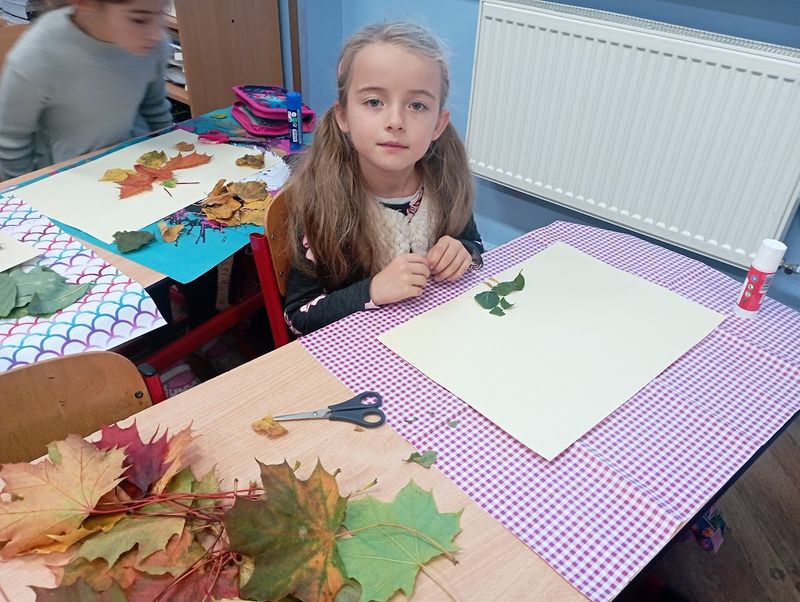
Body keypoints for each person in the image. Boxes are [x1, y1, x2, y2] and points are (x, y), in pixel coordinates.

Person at [283, 22, 484, 336]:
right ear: (343, 115)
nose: (395, 122)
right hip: (358, 353)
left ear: (438, 124)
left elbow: (475, 245)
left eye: (417, 105)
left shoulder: (446, 183)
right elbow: (298, 319)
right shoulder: (321, 202)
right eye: (374, 102)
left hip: (439, 337)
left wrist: (463, 252)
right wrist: (372, 290)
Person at [0, 0, 172, 181]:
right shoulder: (37, 56)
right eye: (139, 20)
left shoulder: (152, 43)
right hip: (63, 178)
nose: (157, 35)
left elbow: (155, 108)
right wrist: (28, 190)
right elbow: (11, 142)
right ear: (85, 3)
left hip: (134, 160)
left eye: (162, 12)